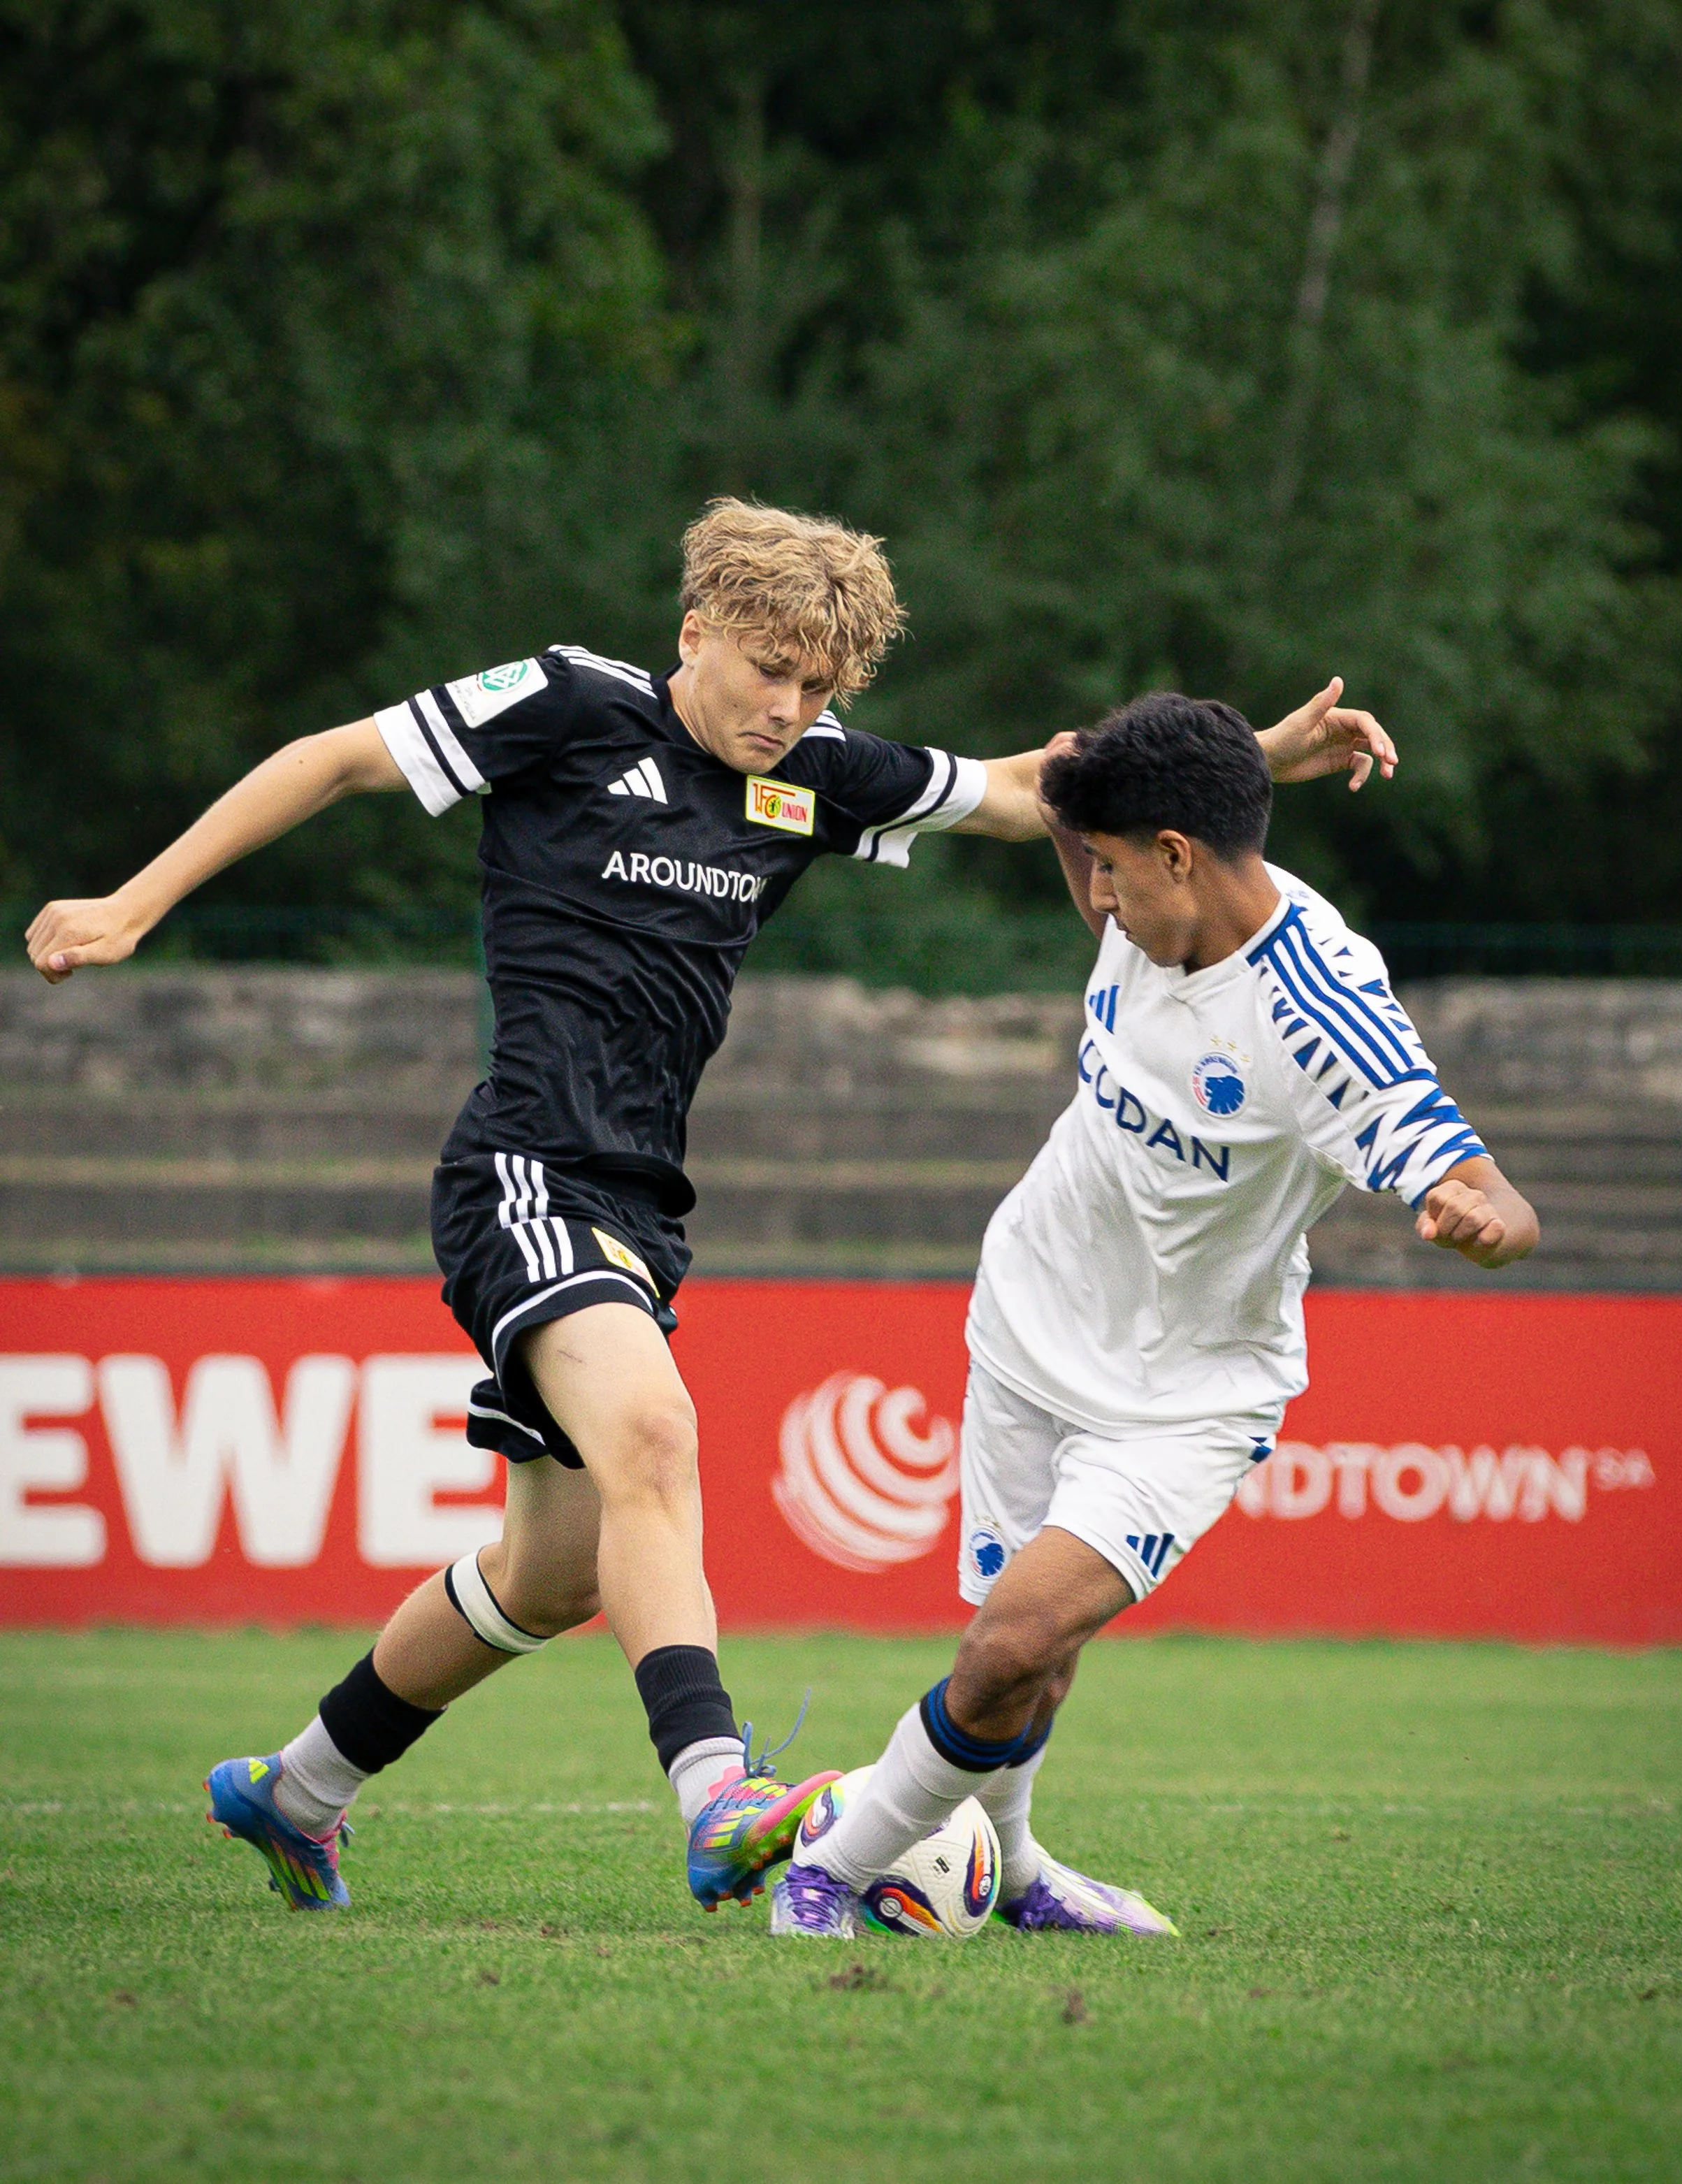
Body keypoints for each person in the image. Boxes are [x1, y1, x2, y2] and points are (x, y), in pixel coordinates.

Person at [26, 500, 1395, 1918]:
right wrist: (135, 901)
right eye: (764, 671)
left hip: (641, 1205)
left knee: (551, 1575)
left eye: (816, 688)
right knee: (660, 1432)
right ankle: (719, 1793)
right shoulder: (566, 705)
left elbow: (1021, 788)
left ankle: (295, 1788)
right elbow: (332, 761)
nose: (786, 709)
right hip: (526, 1170)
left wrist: (1245, 767)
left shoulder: (807, 773)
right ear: (694, 634)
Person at [771, 690, 1538, 1938]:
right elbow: (1071, 767)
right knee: (1034, 1658)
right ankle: (1016, 1877)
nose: (1100, 903)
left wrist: (1480, 1221)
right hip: (1027, 1323)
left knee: (1007, 1645)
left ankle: (831, 1872)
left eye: (1121, 876)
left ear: (1179, 856)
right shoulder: (1146, 876)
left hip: (1187, 1393)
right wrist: (1264, 757)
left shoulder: (1322, 1015)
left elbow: (1499, 1198)